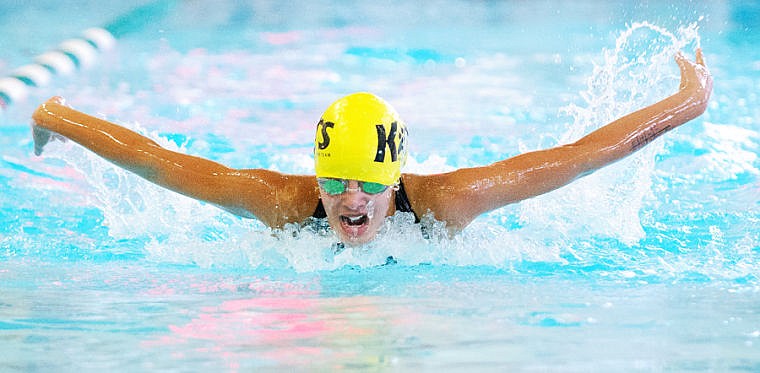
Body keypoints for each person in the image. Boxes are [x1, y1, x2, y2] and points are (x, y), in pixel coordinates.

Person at [31, 49, 712, 247]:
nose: (349, 199)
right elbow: (163, 164)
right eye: (336, 182)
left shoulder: (448, 201)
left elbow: (582, 156)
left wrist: (688, 104)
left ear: (395, 181)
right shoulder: (283, 203)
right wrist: (57, 113)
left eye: (365, 183)